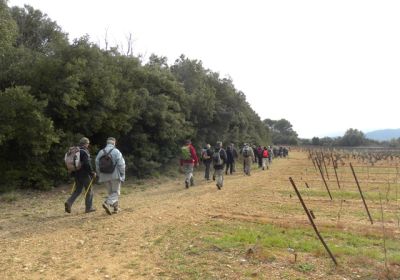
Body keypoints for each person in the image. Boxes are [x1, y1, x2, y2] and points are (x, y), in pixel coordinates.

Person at [64, 137, 96, 214]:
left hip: (76, 174)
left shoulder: (75, 151)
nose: (88, 145)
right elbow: (87, 164)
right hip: (84, 174)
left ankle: (69, 202)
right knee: (89, 190)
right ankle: (88, 208)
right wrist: (91, 172)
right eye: (88, 143)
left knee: (78, 190)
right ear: (85, 144)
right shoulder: (84, 152)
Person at [95, 137, 126, 215]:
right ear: (114, 143)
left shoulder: (101, 152)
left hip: (104, 176)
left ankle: (115, 208)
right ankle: (107, 203)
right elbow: (121, 164)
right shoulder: (116, 151)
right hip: (114, 175)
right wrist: (122, 174)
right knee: (116, 192)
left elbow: (97, 164)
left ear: (107, 143)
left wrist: (99, 175)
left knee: (111, 193)